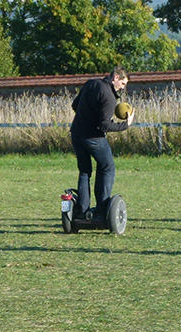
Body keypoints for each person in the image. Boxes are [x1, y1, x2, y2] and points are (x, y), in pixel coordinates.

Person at [70, 66, 134, 221]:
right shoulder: (109, 96)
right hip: (94, 138)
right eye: (123, 84)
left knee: (85, 172)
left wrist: (88, 117)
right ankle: (101, 210)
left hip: (77, 134)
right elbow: (105, 125)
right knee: (107, 167)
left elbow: (74, 106)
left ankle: (82, 212)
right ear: (116, 78)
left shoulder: (90, 83)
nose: (123, 88)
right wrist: (126, 124)